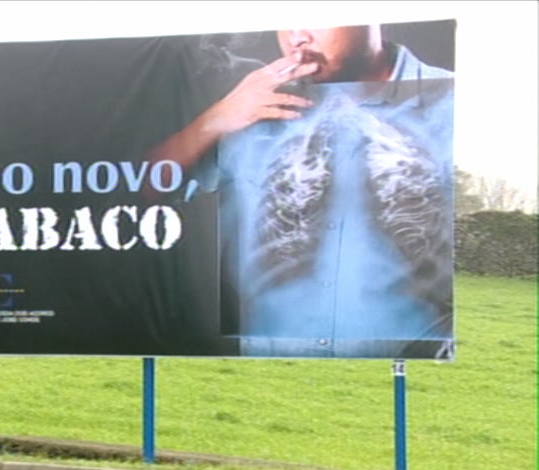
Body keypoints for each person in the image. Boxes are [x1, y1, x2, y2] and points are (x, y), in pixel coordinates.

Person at [149, 25, 455, 359]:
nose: (297, 37)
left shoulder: (455, 100)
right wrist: (215, 120)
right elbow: (134, 190)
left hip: (411, 375)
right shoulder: (249, 106)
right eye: (286, 18)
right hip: (266, 378)